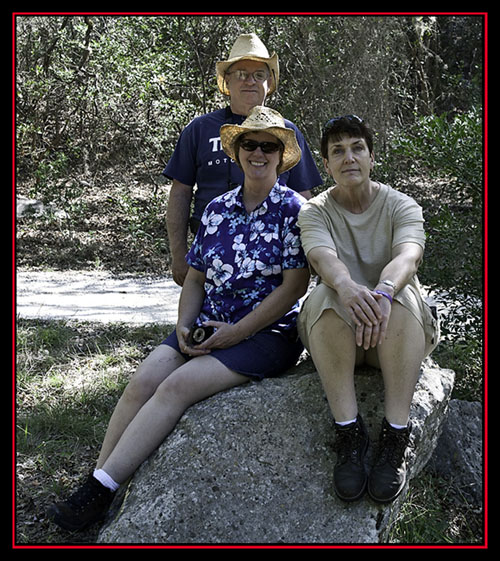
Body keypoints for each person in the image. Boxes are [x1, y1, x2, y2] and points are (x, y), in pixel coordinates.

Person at [47, 106, 310, 532]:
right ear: (236, 151)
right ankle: (96, 488)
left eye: (268, 146)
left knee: (177, 386)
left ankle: (104, 487)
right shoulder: (217, 210)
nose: (258, 153)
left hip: (265, 334)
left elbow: (294, 288)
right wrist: (185, 328)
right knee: (144, 380)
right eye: (250, 144)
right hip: (208, 321)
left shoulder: (295, 211)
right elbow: (195, 279)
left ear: (281, 156)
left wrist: (235, 334)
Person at [296, 115, 440, 503]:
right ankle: (349, 431)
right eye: (337, 151)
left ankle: (395, 435)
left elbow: (408, 256)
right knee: (325, 296)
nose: (349, 158)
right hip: (339, 336)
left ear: (372, 157)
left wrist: (383, 292)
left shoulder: (401, 205)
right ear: (326, 165)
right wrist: (345, 288)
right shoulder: (314, 211)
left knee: (405, 295)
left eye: (357, 147)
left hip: (393, 337)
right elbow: (323, 258)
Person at [164, 32, 323, 286]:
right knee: (205, 320)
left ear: (269, 83)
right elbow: (180, 192)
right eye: (241, 74)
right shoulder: (200, 129)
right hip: (210, 253)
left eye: (258, 75)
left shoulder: (287, 133)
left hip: (274, 257)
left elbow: (304, 197)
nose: (250, 81)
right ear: (227, 80)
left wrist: (315, 255)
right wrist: (178, 255)